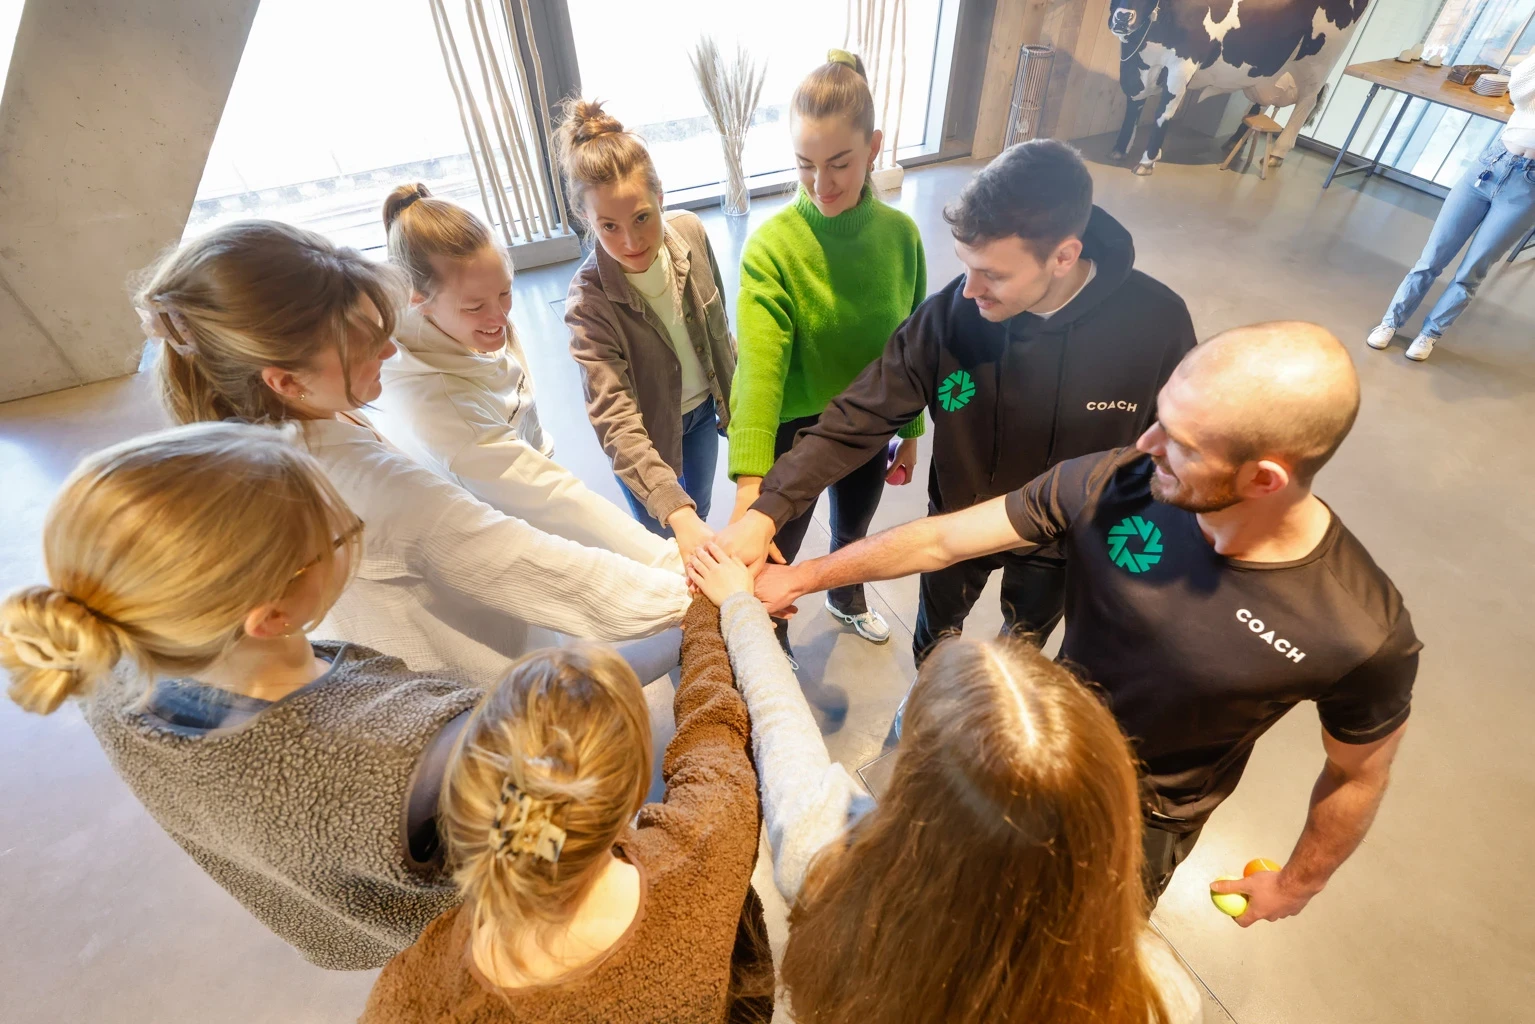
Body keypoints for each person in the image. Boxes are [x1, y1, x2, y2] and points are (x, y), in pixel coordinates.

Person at [751, 322, 1419, 909]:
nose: (1145, 443)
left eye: (1181, 443)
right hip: (1044, 750)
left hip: (1142, 821)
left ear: (1263, 478)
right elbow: (942, 539)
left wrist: (1295, 884)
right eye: (1158, 417)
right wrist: (801, 576)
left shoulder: (1358, 631)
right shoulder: (1115, 481)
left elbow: (1356, 772)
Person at [0, 422, 482, 969]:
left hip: (349, 925)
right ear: (272, 615)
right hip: (471, 933)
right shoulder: (413, 755)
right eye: (339, 535)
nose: (348, 530)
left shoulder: (103, 662)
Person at [138, 220, 690, 687]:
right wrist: (703, 590)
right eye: (362, 343)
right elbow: (535, 563)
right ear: (285, 380)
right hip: (470, 688)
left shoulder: (254, 430)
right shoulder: (375, 487)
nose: (388, 348)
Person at [716, 139, 1196, 664]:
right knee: (936, 633)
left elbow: (1173, 462)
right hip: (954, 522)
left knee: (1026, 638)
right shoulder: (951, 316)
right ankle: (928, 690)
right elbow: (860, 414)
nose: (969, 290)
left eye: (993, 274)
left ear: (1064, 256)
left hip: (1063, 541)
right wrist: (767, 509)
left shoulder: (1158, 326)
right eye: (967, 265)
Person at [686, 544, 1202, 1024]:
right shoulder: (1161, 995)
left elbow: (778, 718)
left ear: (917, 792)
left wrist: (738, 602)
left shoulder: (825, 860)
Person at [361, 601, 773, 1023]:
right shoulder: (703, 852)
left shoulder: (411, 1000)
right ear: (633, 794)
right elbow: (714, 734)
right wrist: (710, 607)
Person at [366, 182, 681, 572]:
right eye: (475, 306)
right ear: (419, 299)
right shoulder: (439, 407)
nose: (500, 318)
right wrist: (673, 560)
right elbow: (553, 499)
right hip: (487, 526)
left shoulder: (466, 319)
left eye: (505, 293)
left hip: (521, 457)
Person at [726, 49, 928, 653]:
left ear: (874, 147)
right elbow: (757, 374)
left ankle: (846, 595)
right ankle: (773, 644)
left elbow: (912, 345)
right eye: (804, 165)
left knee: (854, 528)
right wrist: (749, 488)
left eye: (840, 163)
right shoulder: (772, 248)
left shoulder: (901, 238)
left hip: (870, 423)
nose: (822, 184)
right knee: (776, 551)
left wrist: (910, 433)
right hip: (795, 430)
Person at [560, 99, 737, 563]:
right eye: (609, 227)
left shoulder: (693, 233)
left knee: (702, 507)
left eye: (642, 217)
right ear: (586, 221)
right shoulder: (588, 302)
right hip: (647, 436)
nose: (631, 242)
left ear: (661, 198)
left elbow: (721, 335)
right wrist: (675, 513)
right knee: (668, 536)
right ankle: (690, 626)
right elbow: (614, 418)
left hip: (704, 416)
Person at [1366, 50, 1535, 362]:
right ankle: (1390, 322)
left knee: (1473, 271)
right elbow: (1521, 90)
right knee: (1431, 258)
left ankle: (1430, 333)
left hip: (1527, 189)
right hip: (1491, 164)